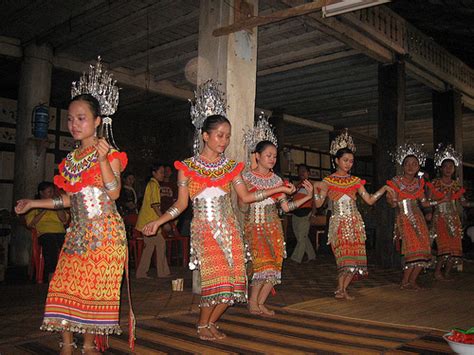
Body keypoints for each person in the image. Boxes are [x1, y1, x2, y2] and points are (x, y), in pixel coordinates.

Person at [141, 79, 294, 342]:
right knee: (217, 280)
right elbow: (180, 204)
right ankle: (202, 325)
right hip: (205, 229)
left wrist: (276, 190)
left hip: (230, 228)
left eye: (227, 136)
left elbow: (245, 197)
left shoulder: (232, 168)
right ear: (205, 136)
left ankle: (211, 322)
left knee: (235, 284)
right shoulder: (186, 167)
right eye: (219, 135)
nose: (224, 141)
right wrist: (159, 221)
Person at [15, 58, 132, 355]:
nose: (74, 124)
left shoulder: (112, 154)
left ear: (96, 121)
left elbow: (114, 192)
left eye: (81, 118)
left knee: (94, 292)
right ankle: (67, 345)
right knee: (63, 288)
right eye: (70, 119)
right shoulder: (69, 162)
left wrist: (103, 159)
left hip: (105, 235)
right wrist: (33, 203)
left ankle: (89, 345)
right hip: (77, 233)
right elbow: (69, 199)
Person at [313, 130, 392, 300]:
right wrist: (315, 189)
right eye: (345, 160)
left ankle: (341, 289)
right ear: (336, 161)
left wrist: (384, 189)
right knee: (344, 259)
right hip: (339, 224)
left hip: (355, 223)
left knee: (355, 261)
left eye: (351, 161)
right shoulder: (328, 181)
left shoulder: (355, 181)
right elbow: (319, 204)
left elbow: (369, 200)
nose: (349, 164)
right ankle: (341, 289)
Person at [241, 139, 313, 316]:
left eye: (274, 156)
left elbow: (286, 207)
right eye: (268, 155)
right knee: (262, 266)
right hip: (255, 226)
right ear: (257, 156)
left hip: (273, 227)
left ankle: (260, 302)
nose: (272, 159)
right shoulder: (246, 177)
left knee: (274, 267)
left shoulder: (276, 180)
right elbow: (243, 205)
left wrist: (307, 197)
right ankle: (252, 303)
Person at [386, 143, 435, 291]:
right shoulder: (395, 181)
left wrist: (436, 202)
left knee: (424, 248)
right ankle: (405, 281)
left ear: (418, 167)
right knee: (412, 249)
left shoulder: (418, 183)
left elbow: (424, 202)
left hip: (418, 218)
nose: (410, 166)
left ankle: (412, 281)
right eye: (407, 163)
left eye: (414, 164)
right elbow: (391, 202)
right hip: (404, 218)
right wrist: (392, 201)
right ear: (402, 165)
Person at [427, 145, 473, 280]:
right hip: (440, 217)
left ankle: (446, 273)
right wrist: (429, 211)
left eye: (451, 167)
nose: (448, 169)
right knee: (444, 247)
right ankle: (437, 272)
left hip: (454, 218)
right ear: (441, 168)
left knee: (455, 248)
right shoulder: (434, 183)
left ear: (454, 169)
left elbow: (463, 202)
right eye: (446, 166)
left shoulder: (456, 185)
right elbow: (428, 201)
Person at [25, 181, 68, 281]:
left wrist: (58, 207)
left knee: (68, 245)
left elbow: (64, 221)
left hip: (60, 233)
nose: (52, 194)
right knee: (51, 243)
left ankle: (67, 274)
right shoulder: (35, 206)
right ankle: (51, 276)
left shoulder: (57, 204)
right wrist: (44, 210)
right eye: (49, 192)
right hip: (45, 233)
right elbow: (30, 224)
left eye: (53, 192)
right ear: (41, 193)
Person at [135, 163, 171, 278]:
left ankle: (143, 273)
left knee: (151, 246)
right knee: (160, 244)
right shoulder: (154, 185)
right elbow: (155, 206)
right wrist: (164, 221)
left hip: (147, 220)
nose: (163, 174)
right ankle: (162, 272)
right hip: (149, 221)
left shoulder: (152, 184)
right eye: (161, 172)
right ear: (154, 173)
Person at [290, 164, 316, 264]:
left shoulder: (311, 185)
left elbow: (314, 200)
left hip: (306, 213)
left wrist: (313, 214)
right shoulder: (298, 185)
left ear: (308, 173)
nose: (301, 173)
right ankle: (312, 256)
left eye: (303, 171)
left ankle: (296, 259)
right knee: (302, 236)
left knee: (301, 237)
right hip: (296, 212)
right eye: (299, 171)